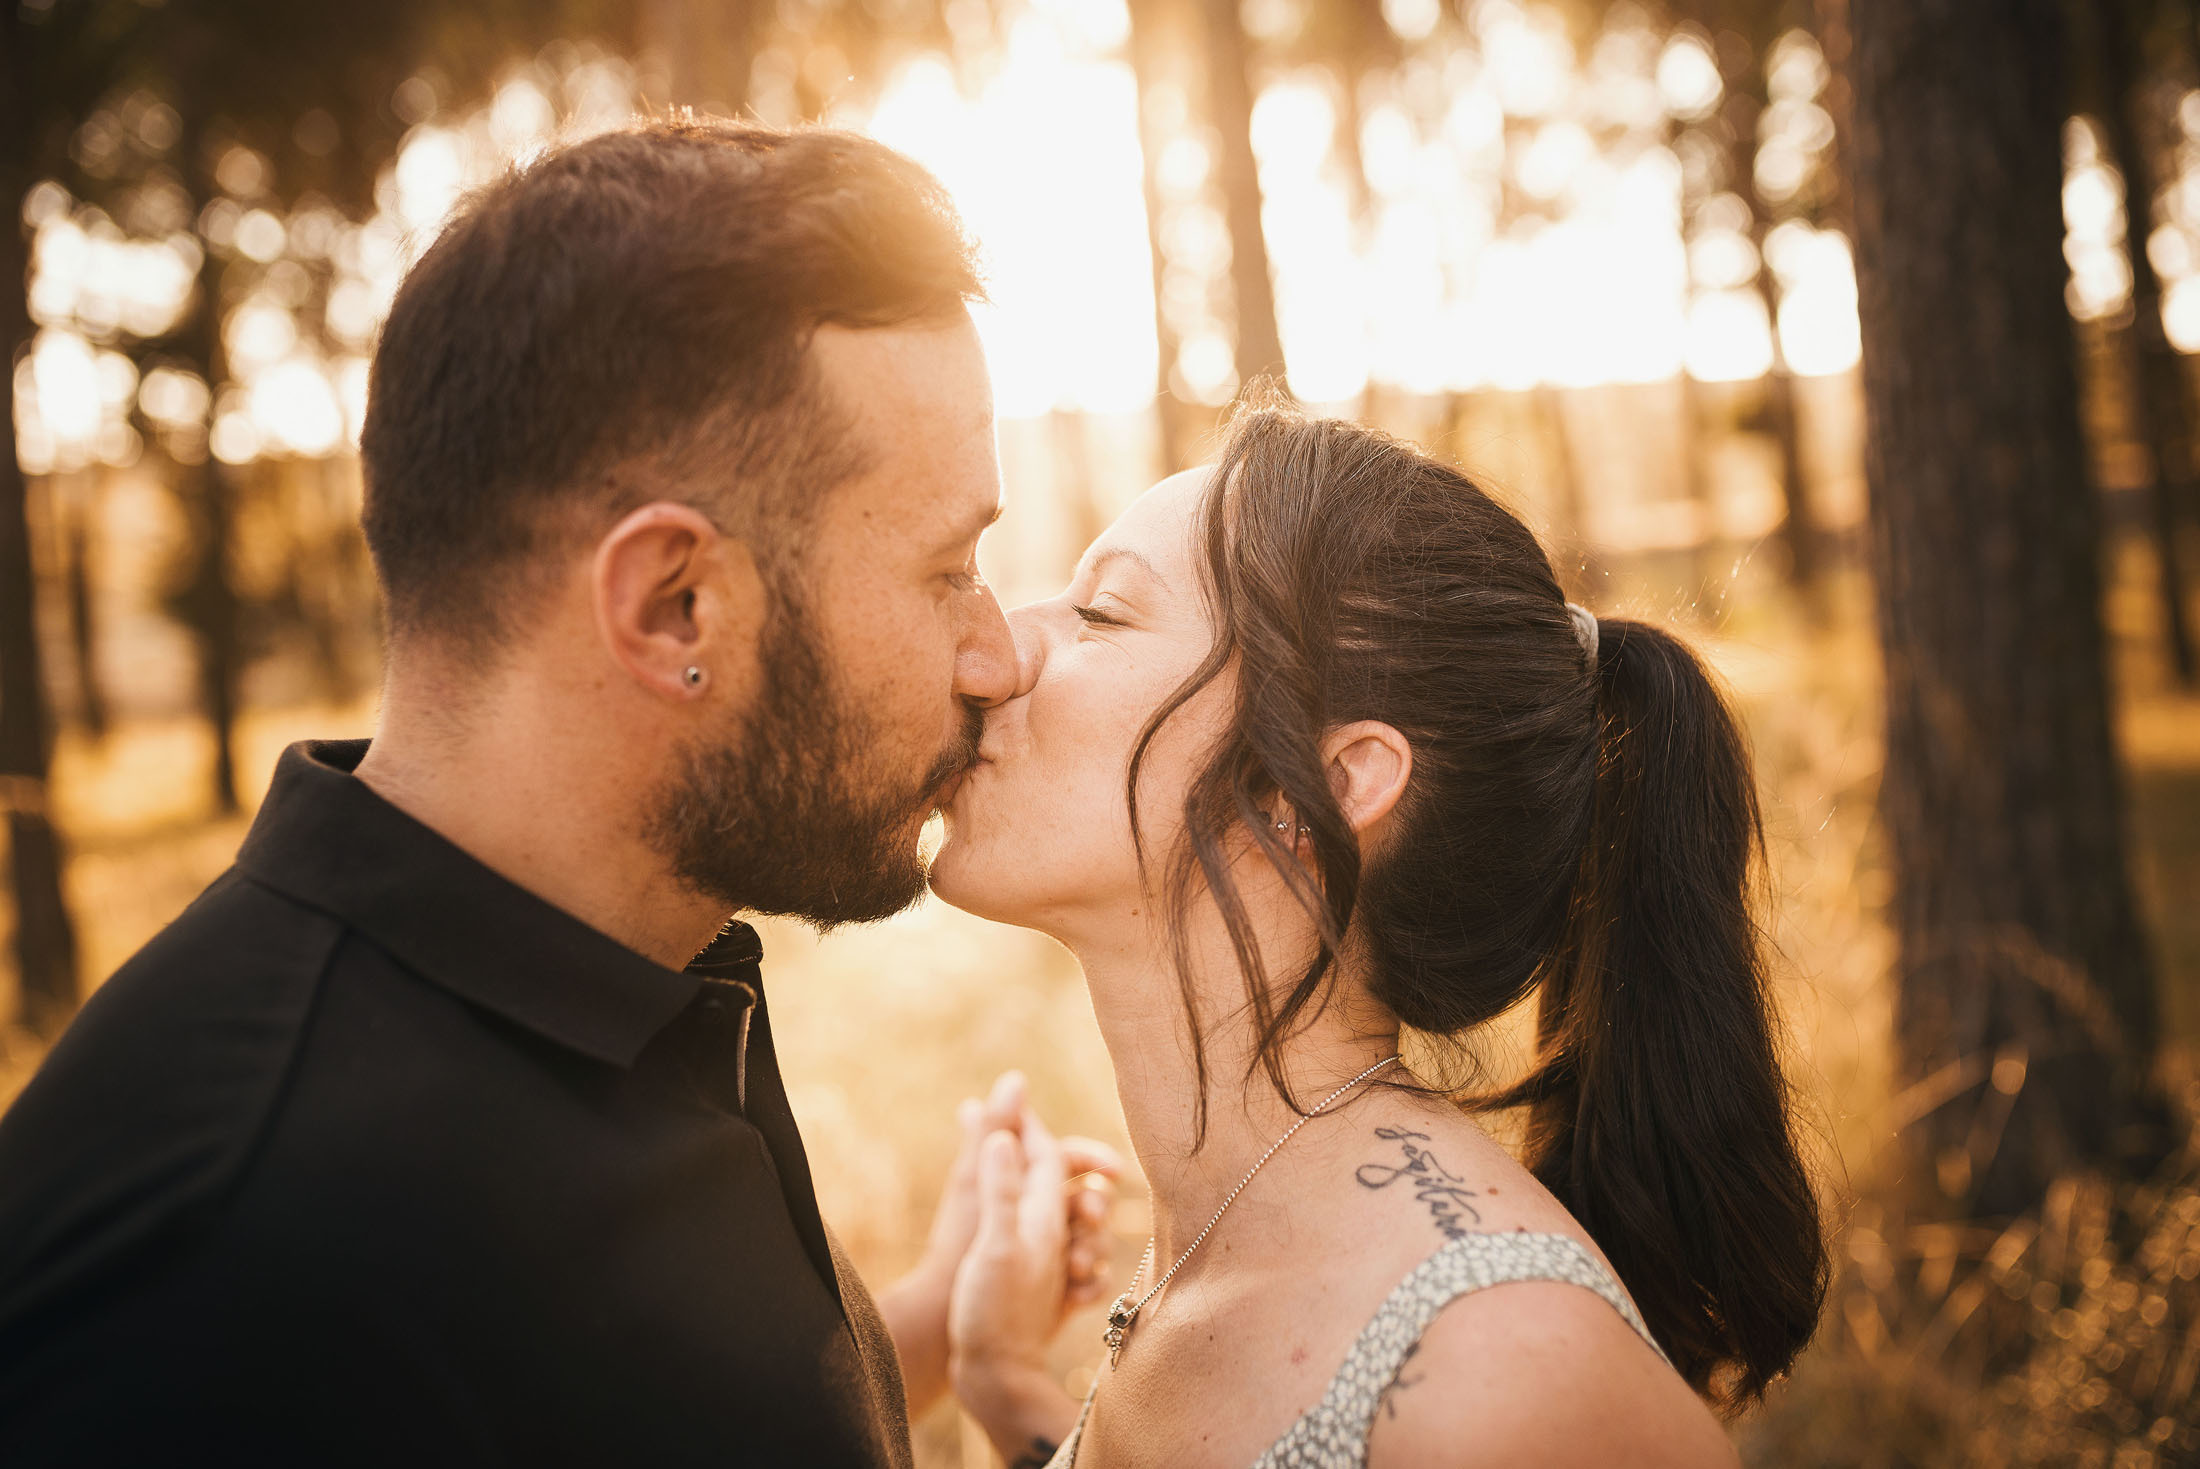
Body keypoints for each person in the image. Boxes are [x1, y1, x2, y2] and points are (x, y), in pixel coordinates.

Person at [0, 119, 1116, 1466]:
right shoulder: (215, 1269)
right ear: (672, 606)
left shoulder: (610, 980)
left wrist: (931, 1332)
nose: (993, 655)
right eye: (947, 570)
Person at [931, 407, 1830, 1467]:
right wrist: (999, 1377)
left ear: (1320, 786)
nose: (997, 652)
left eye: (1103, 612)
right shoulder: (1208, 1241)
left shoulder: (1507, 1378)